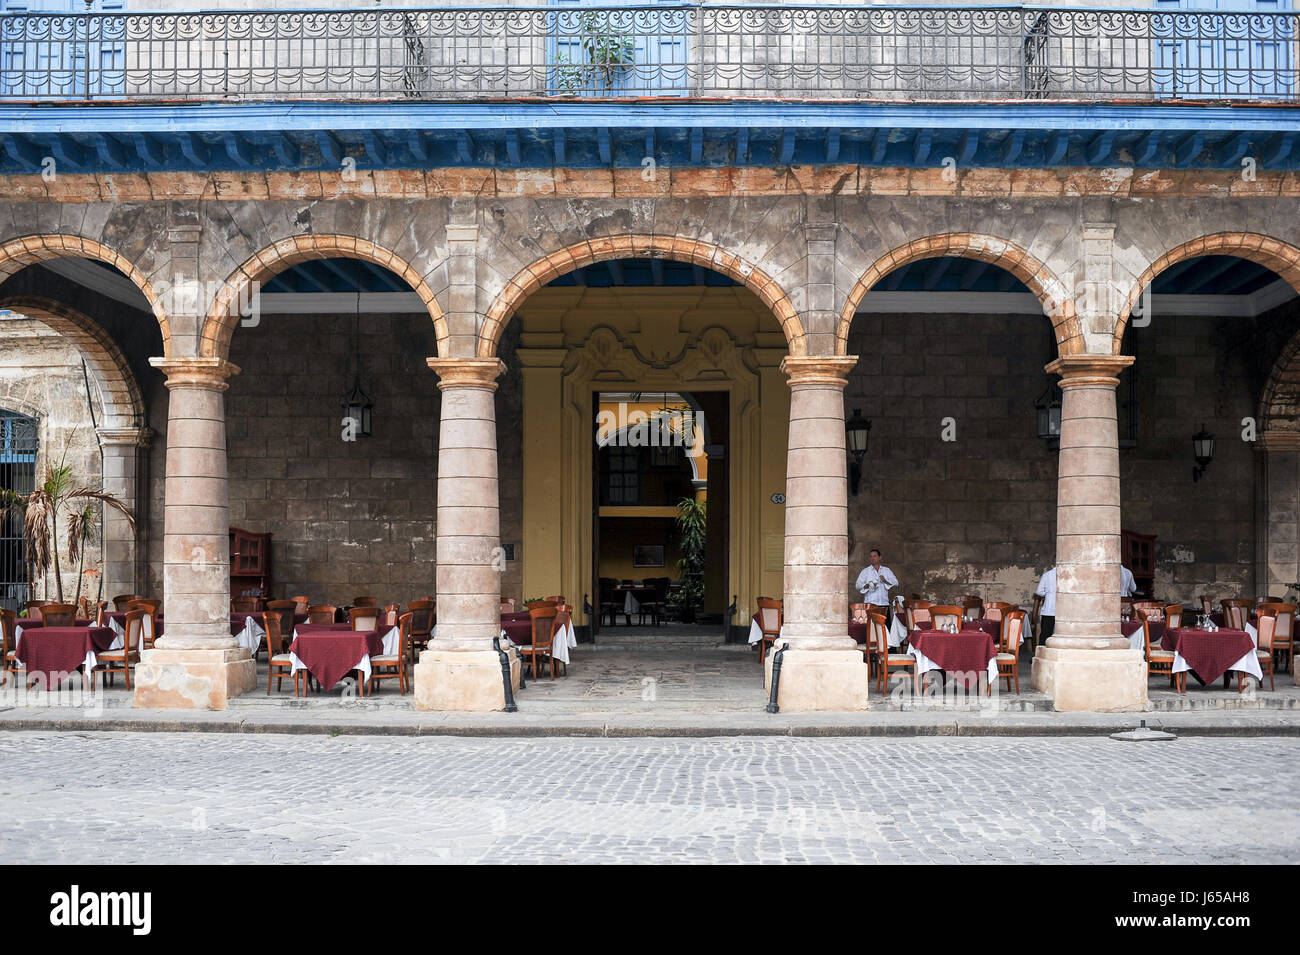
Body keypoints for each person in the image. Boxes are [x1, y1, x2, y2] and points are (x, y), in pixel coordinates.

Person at [1035, 566, 1057, 644]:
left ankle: (1041, 653)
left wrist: (1048, 594)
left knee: (1045, 634)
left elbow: (1039, 591)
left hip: (1049, 608)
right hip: (1063, 610)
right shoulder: (1068, 574)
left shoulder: (1047, 575)